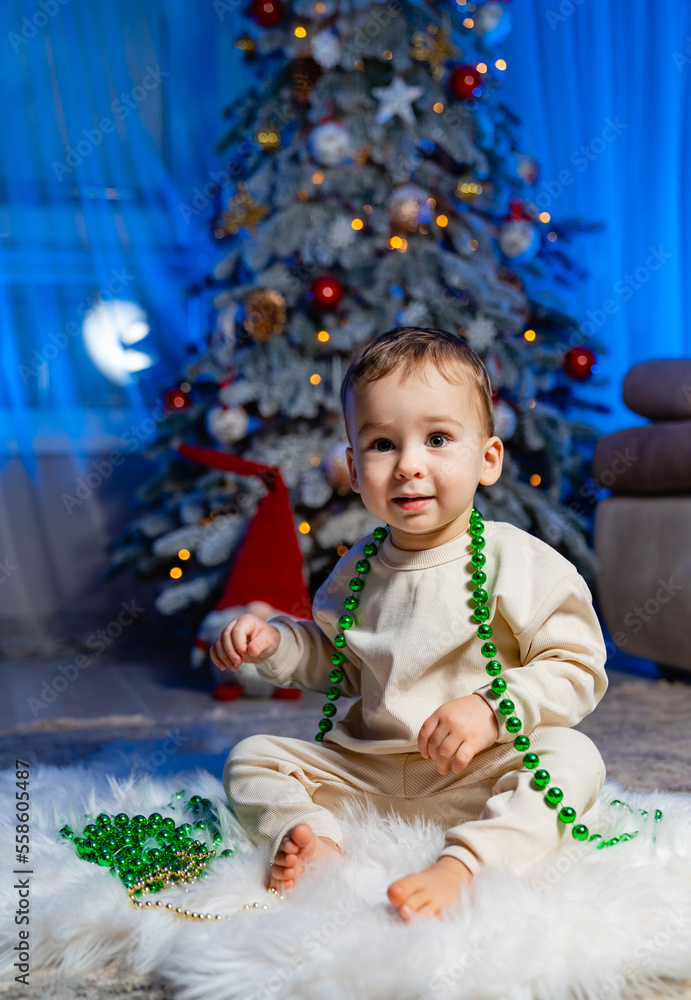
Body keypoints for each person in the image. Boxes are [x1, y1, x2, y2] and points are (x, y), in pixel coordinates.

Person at [211, 326, 608, 924]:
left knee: (572, 758)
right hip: (365, 772)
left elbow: (577, 669)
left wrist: (492, 707)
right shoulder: (356, 568)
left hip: (474, 774)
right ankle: (317, 842)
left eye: (439, 438)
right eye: (381, 445)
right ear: (351, 465)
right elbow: (337, 663)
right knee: (252, 756)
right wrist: (276, 643)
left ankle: (467, 865)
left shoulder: (516, 561)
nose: (408, 466)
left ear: (488, 459)